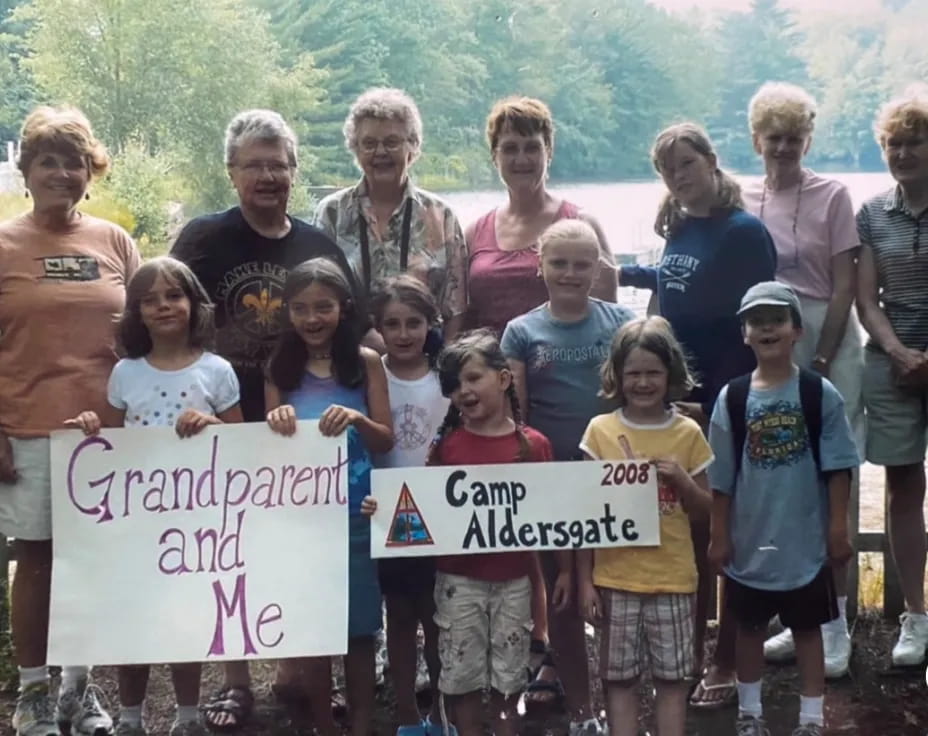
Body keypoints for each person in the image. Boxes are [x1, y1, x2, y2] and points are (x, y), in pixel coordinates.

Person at [169, 109, 365, 728]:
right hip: (223, 420)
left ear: (293, 171)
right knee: (230, 553)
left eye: (278, 165)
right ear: (231, 171)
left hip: (301, 428)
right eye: (254, 165)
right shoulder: (203, 239)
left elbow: (354, 327)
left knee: (306, 553)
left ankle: (308, 673)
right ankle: (234, 681)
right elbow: (163, 314)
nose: (267, 176)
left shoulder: (317, 245)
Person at [618, 122, 777, 708]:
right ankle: (684, 656)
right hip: (677, 403)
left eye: (685, 164)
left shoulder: (744, 233)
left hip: (724, 403)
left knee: (724, 538)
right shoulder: (681, 226)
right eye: (665, 170)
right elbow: (670, 297)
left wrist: (716, 404)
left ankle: (728, 661)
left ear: (711, 161)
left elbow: (755, 327)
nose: (677, 178)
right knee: (690, 537)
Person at [0, 105, 141, 736]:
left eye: (74, 162)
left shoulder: (115, 242)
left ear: (92, 173)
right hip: (26, 428)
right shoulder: (3, 244)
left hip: (109, 435)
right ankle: (31, 694)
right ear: (25, 171)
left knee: (90, 563)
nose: (61, 172)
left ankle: (77, 691)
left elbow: (146, 336)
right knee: (36, 560)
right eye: (47, 161)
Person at [65, 258, 243, 736]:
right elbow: (113, 446)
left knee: (185, 618)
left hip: (195, 524)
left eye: (174, 295)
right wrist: (90, 429)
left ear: (193, 303)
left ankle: (187, 717)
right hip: (136, 525)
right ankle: (129, 720)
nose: (163, 306)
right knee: (134, 619)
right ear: (136, 313)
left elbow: (246, 444)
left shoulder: (218, 371)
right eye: (150, 299)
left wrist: (211, 424)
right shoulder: (126, 373)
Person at [741, 81, 864, 678]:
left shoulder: (833, 194)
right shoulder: (741, 198)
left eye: (795, 138)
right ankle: (799, 622)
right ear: (756, 141)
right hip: (769, 336)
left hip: (823, 334)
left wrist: (823, 354)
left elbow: (845, 285)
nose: (784, 148)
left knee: (831, 477)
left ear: (808, 139)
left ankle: (837, 625)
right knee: (782, 484)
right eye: (774, 139)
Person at [707, 281, 858, 736]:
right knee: (748, 629)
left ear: (796, 329)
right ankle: (749, 715)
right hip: (751, 540)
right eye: (756, 320)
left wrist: (836, 528)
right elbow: (721, 477)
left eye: (777, 318)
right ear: (744, 334)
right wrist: (719, 534)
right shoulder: (732, 399)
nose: (767, 327)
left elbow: (838, 468)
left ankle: (810, 719)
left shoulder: (819, 394)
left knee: (808, 631)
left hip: (805, 541)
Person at [501, 219, 633, 735]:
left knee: (612, 595)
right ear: (541, 266)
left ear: (598, 267)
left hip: (612, 478)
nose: (571, 273)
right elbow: (519, 414)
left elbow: (635, 399)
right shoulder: (522, 330)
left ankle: (615, 703)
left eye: (582, 264)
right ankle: (581, 711)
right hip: (553, 479)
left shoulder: (620, 322)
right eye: (559, 263)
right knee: (563, 599)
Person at [264, 258, 393, 736]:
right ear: (288, 312)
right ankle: (322, 723)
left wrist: (357, 419)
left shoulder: (365, 362)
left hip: (357, 514)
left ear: (344, 308)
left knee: (360, 632)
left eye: (323, 307)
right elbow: (266, 452)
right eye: (300, 309)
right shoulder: (279, 367)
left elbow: (385, 440)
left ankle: (360, 723)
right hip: (301, 520)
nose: (312, 319)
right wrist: (275, 423)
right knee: (313, 629)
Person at [577, 316, 713, 736]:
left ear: (670, 373)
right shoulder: (600, 432)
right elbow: (584, 517)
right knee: (618, 679)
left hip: (673, 579)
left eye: (652, 372)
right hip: (615, 580)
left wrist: (683, 481)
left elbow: (707, 510)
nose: (642, 382)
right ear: (617, 375)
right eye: (633, 372)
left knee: (673, 679)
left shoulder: (688, 433)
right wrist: (585, 582)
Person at [426, 330, 554, 736]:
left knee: (509, 676)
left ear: (503, 378)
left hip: (515, 583)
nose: (464, 390)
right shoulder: (446, 448)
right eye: (454, 385)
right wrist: (385, 513)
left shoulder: (534, 446)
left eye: (473, 378)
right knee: (461, 676)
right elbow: (424, 509)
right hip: (458, 582)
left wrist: (561, 575)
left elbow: (555, 515)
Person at [360, 275, 452, 736]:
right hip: (388, 509)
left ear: (430, 323)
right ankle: (406, 715)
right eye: (391, 324)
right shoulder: (371, 374)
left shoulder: (448, 374)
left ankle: (440, 712)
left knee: (438, 616)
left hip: (441, 509)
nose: (402, 334)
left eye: (413, 323)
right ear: (377, 327)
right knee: (398, 615)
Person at [856, 85, 928, 668]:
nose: (903, 153)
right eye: (894, 144)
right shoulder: (872, 213)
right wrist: (902, 354)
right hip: (892, 363)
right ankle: (916, 616)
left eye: (914, 142)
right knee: (903, 487)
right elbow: (866, 298)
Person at [314, 87, 468, 341]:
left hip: (425, 364)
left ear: (413, 146)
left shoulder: (442, 216)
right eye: (369, 143)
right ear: (355, 149)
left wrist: (446, 371)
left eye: (392, 142)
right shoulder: (332, 213)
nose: (380, 152)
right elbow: (319, 294)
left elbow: (456, 308)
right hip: (351, 361)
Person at [465, 96, 617, 338]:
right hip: (489, 370)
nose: (522, 159)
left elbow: (608, 318)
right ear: (495, 156)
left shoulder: (581, 224)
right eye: (510, 148)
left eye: (532, 147)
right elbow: (464, 315)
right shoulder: (474, 232)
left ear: (549, 152)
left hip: (562, 369)